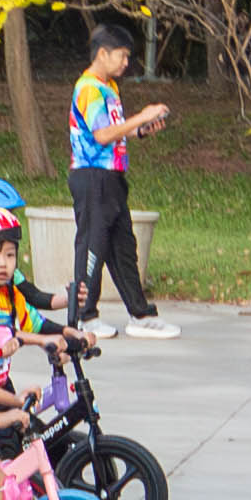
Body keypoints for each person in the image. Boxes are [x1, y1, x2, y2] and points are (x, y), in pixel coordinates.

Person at [64, 22, 176, 335]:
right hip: (92, 177)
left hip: (112, 177)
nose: (127, 62)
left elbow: (114, 131)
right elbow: (101, 135)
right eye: (122, 55)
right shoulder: (89, 88)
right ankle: (84, 316)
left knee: (123, 246)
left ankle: (140, 315)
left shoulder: (109, 87)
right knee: (92, 246)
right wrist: (141, 115)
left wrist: (141, 130)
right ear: (103, 53)